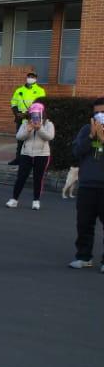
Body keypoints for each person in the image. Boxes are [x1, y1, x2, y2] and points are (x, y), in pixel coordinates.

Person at [69, 97, 104, 270]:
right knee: (84, 223)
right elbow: (76, 151)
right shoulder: (85, 130)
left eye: (103, 112)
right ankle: (83, 256)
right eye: (96, 113)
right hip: (87, 185)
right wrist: (91, 136)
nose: (99, 116)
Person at [7, 102, 54, 210]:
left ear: (42, 113)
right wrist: (28, 130)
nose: (35, 116)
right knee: (21, 177)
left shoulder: (48, 124)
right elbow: (19, 137)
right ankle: (14, 199)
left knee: (38, 178)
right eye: (33, 114)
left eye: (37, 114)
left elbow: (49, 137)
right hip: (26, 154)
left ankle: (36, 200)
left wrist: (39, 128)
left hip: (42, 155)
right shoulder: (25, 124)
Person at [10, 72, 46, 165]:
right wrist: (17, 113)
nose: (30, 78)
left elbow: (40, 106)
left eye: (33, 77)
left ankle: (29, 161)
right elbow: (14, 103)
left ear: (36, 79)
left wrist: (26, 114)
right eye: (29, 76)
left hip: (32, 119)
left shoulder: (40, 90)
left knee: (31, 140)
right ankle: (18, 159)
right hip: (20, 119)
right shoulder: (19, 90)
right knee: (20, 140)